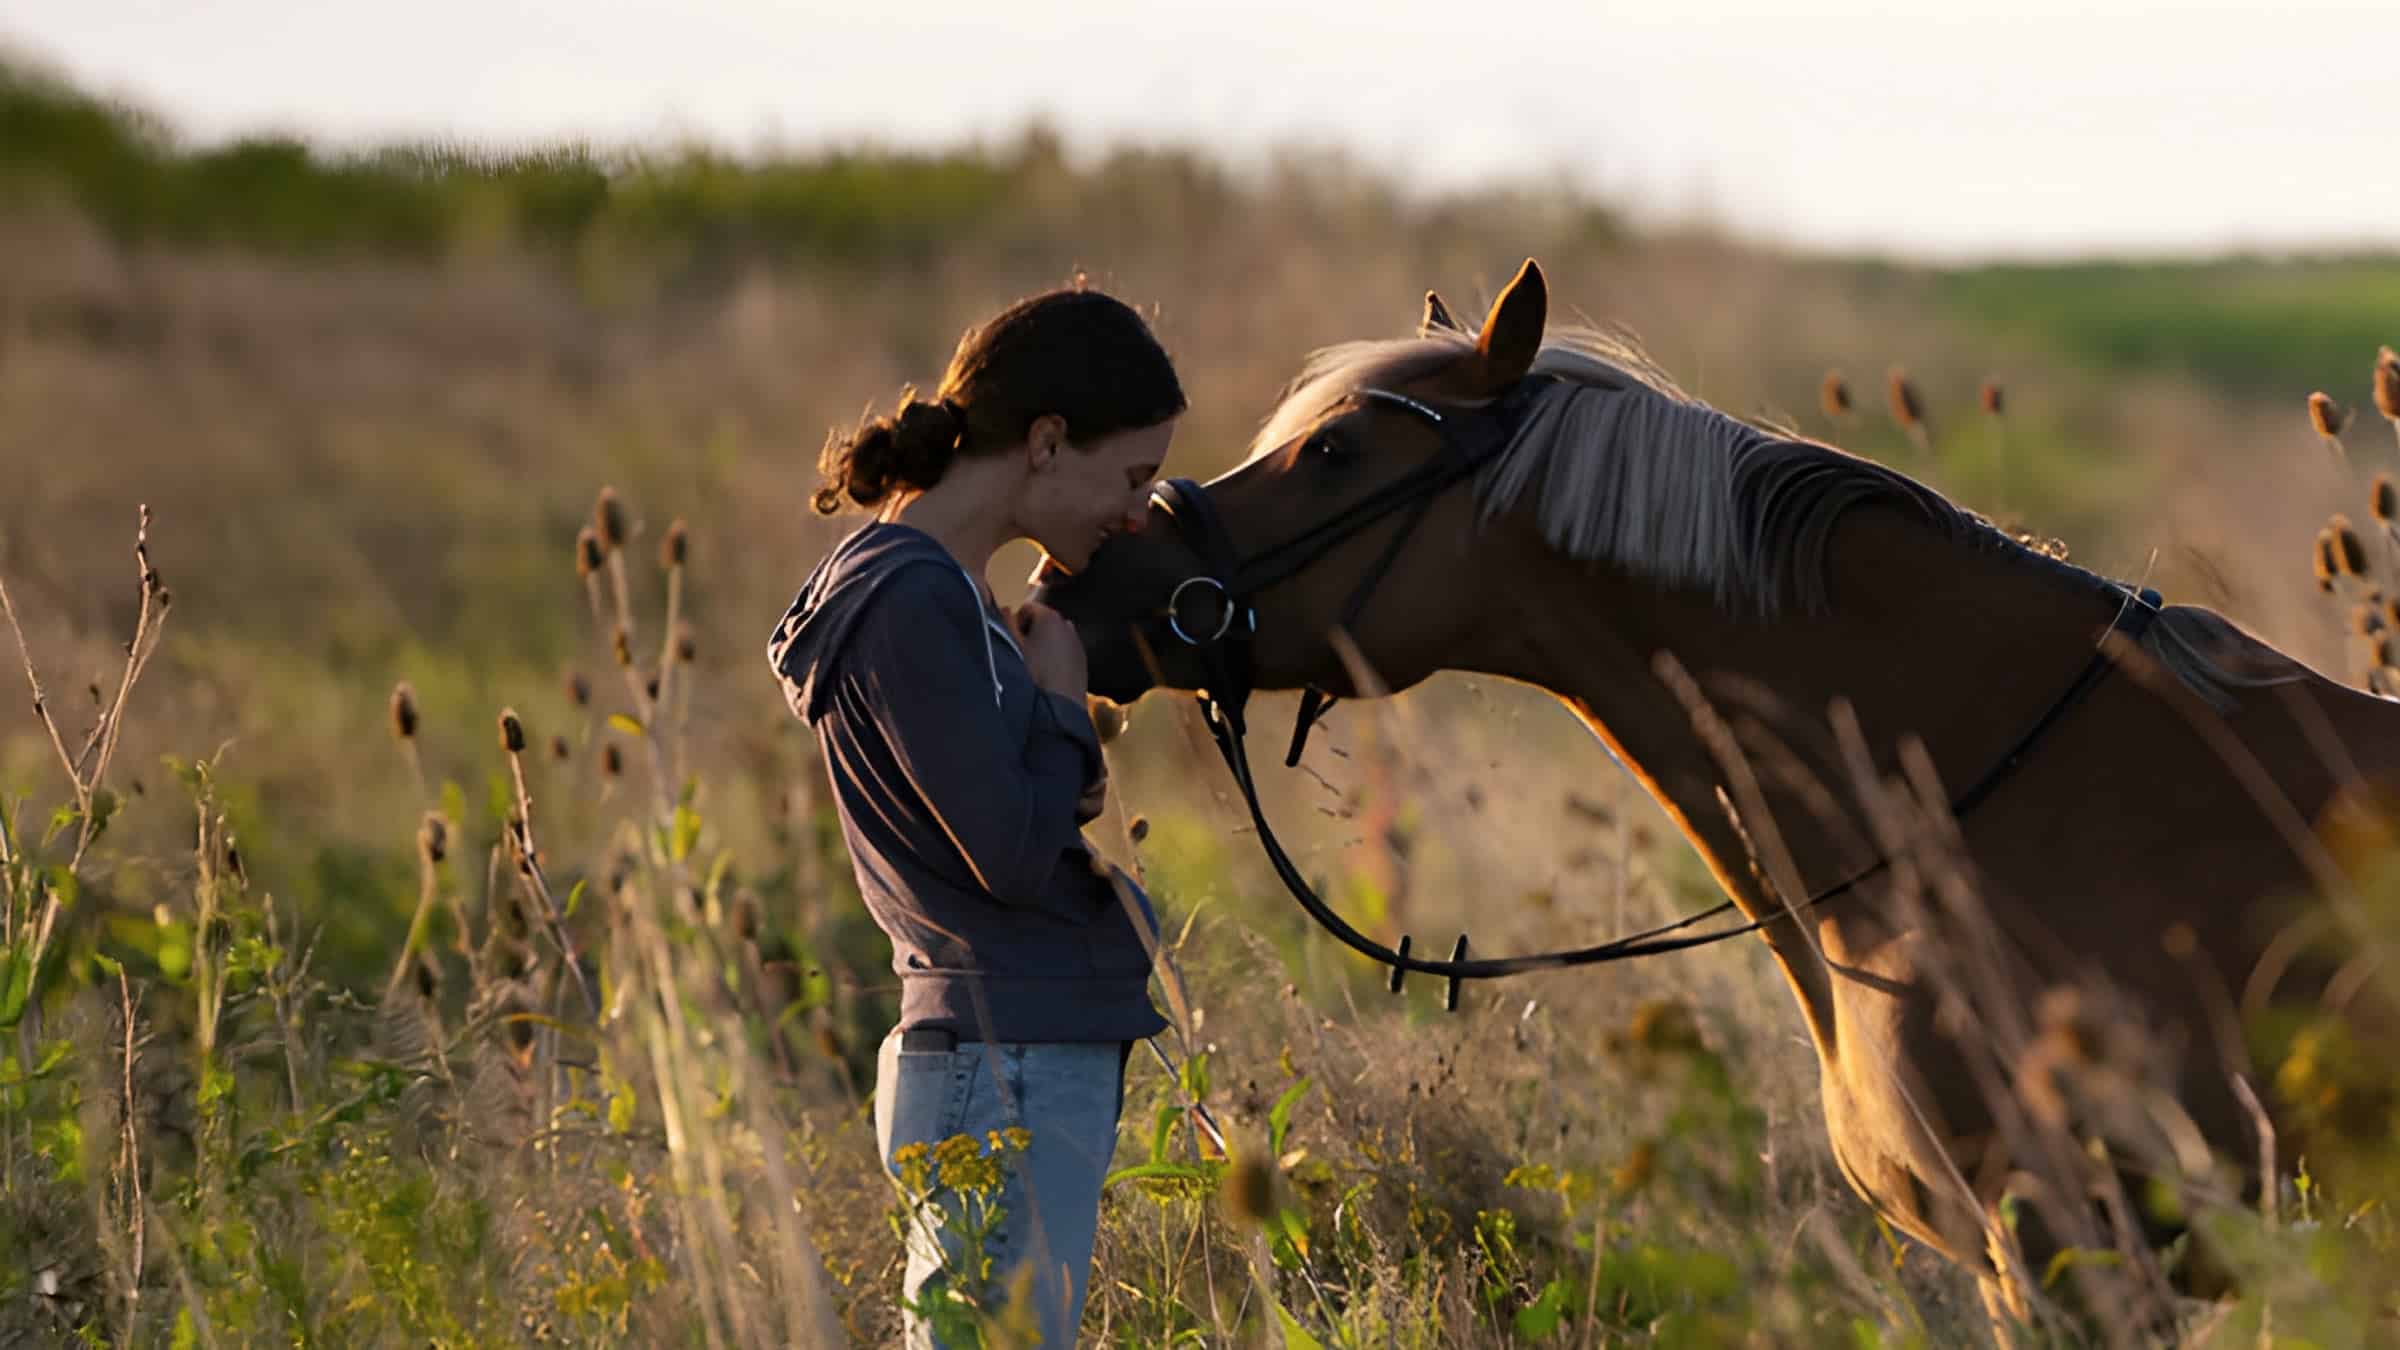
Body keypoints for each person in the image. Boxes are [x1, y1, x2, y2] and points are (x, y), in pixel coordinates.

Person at [766, 286, 1181, 1346]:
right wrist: (1054, 703)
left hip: (1009, 1058)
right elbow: (1004, 851)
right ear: (1047, 442)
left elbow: (1014, 813)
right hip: (1008, 1063)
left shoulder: (940, 595)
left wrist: (1053, 729)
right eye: (1132, 478)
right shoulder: (912, 599)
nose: (1136, 513)